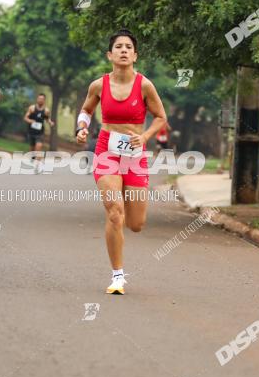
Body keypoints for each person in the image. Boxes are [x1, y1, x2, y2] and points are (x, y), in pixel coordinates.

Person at [76, 29, 167, 295]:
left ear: (135, 55)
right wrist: (82, 128)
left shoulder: (145, 85)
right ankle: (117, 276)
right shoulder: (98, 85)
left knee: (135, 224)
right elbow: (86, 111)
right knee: (114, 210)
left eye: (128, 47)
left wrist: (146, 136)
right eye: (119, 46)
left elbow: (161, 117)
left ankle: (127, 212)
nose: (124, 50)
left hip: (135, 153)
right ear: (110, 54)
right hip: (107, 149)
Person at [23, 93, 54, 160]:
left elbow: (47, 119)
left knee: (38, 147)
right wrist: (30, 121)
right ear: (37, 99)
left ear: (44, 100)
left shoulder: (46, 111)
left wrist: (50, 122)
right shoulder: (32, 108)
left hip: (40, 132)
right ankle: (32, 161)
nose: (40, 100)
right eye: (39, 98)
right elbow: (25, 118)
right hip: (31, 131)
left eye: (42, 99)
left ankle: (37, 164)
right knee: (32, 150)